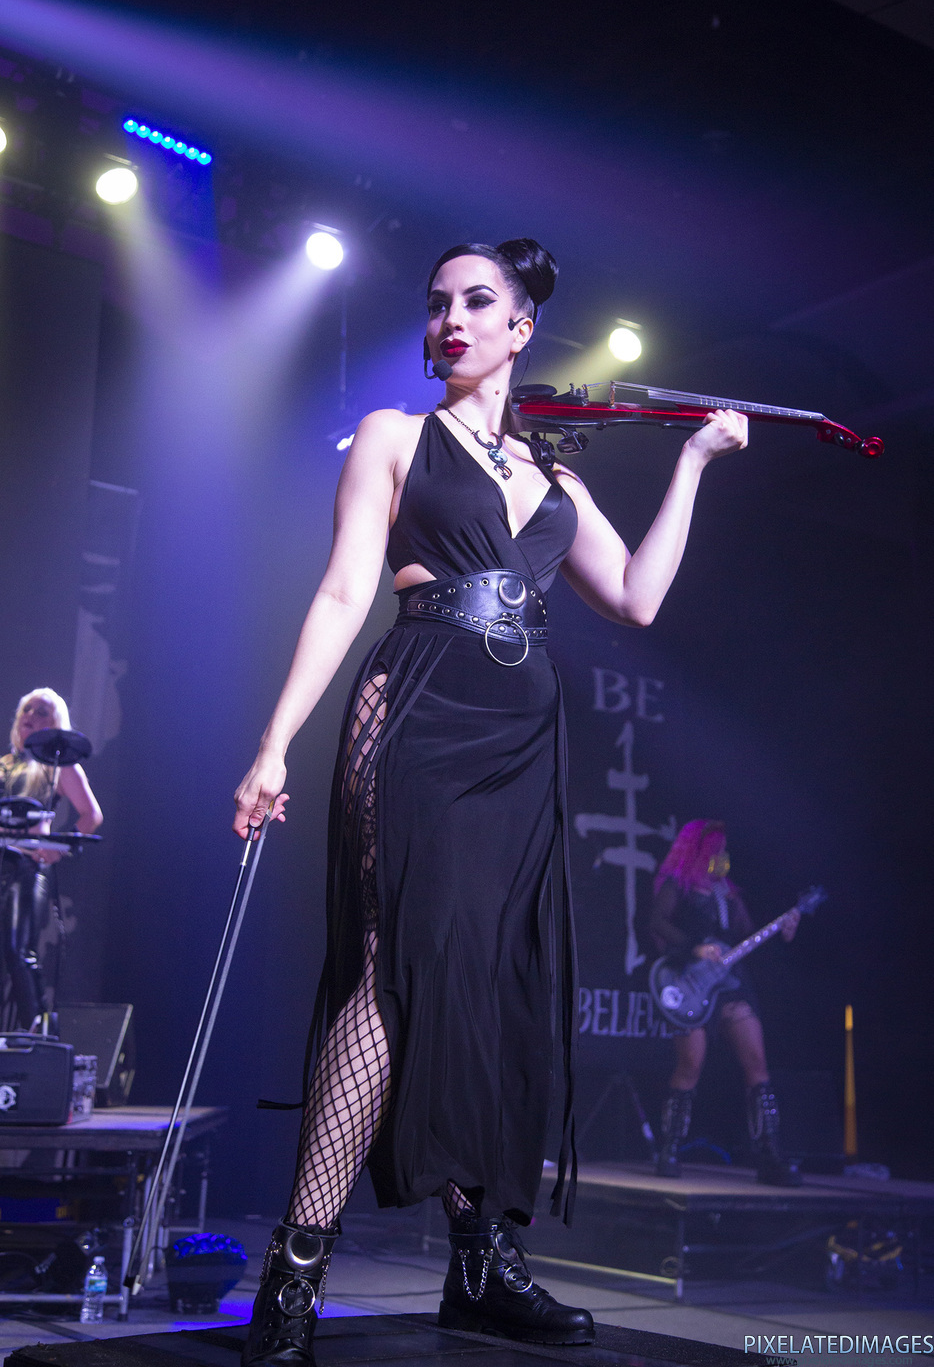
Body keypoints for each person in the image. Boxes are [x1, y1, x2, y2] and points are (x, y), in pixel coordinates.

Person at [233, 238, 747, 1364]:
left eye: (477, 302)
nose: (450, 320)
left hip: (521, 738)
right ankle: (295, 1277)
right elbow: (343, 589)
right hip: (417, 708)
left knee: (496, 987)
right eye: (437, 304)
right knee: (392, 967)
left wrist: (695, 463)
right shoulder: (393, 436)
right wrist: (274, 744)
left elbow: (637, 598)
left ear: (522, 329)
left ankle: (479, 1266)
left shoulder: (559, 478)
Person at [647, 819, 801, 1185]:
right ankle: (670, 1149)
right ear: (696, 850)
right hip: (690, 981)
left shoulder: (728, 893)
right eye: (713, 847)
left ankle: (770, 1155)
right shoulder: (678, 887)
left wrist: (784, 930)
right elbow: (656, 922)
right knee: (690, 1064)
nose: (720, 854)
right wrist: (694, 947)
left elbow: (747, 937)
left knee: (757, 1063)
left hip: (731, 984)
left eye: (723, 848)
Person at [0, 688, 103, 1031]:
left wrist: (56, 850)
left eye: (41, 711)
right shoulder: (5, 765)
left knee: (18, 951)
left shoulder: (57, 766)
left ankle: (37, 1033)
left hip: (26, 866)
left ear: (55, 722)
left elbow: (91, 815)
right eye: (26, 709)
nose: (30, 715)